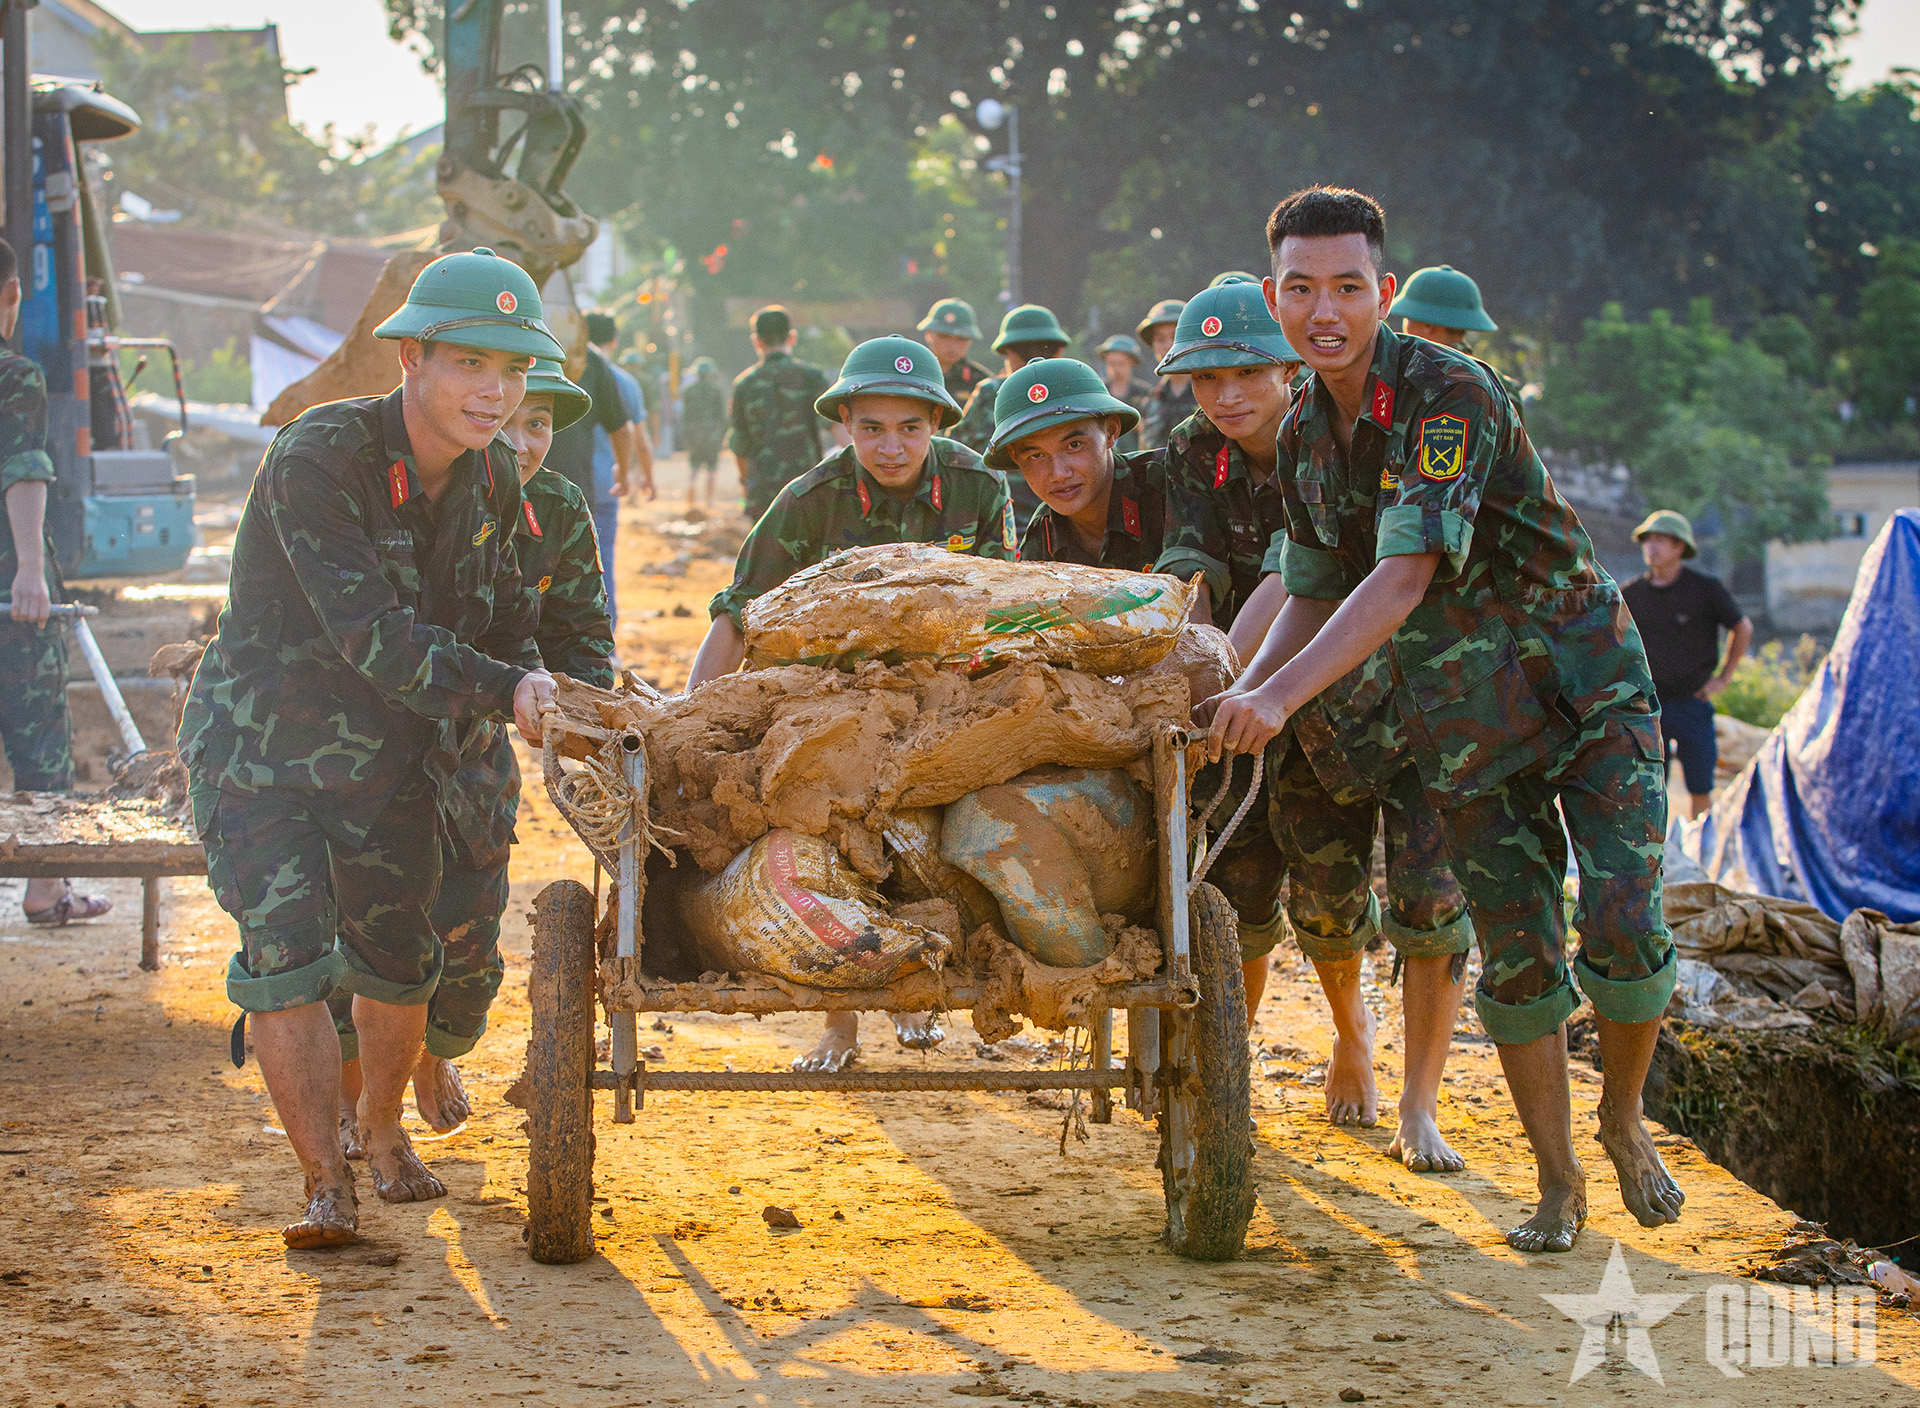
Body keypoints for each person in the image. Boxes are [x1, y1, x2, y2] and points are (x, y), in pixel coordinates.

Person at [1204, 186, 1682, 1251]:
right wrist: (1242, 683)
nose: (1323, 309)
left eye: (1346, 285)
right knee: (1516, 955)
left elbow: (1403, 573)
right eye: (1299, 287)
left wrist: (1278, 696)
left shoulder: (1446, 390)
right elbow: (1315, 581)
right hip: (1466, 726)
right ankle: (1558, 1187)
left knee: (1620, 913)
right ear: (1272, 296)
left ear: (1383, 289)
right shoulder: (1304, 441)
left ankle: (1620, 1116)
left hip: (1584, 688)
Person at [178, 248, 561, 1249]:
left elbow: (513, 621)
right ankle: (321, 1183)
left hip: (390, 761)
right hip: (263, 758)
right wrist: (507, 686)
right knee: (289, 954)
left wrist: (562, 692)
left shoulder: (491, 484)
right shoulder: (319, 457)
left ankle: (382, 1133)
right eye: (471, 363)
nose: (496, 391)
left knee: (398, 961)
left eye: (513, 371)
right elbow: (378, 640)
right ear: (410, 359)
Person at [1153, 278, 1477, 1168]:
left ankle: (1420, 1105)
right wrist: (1196, 667)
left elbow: (1294, 577)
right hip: (1283, 716)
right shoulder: (1191, 452)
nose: (1226, 395)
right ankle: (1346, 1033)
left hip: (1410, 700)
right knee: (1321, 906)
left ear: (1289, 365)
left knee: (1431, 903)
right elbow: (1197, 575)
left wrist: (1238, 674)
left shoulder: (1358, 430)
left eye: (1246, 372)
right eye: (1205, 378)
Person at [688, 336, 1015, 1072]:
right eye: (871, 428)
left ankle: (917, 988)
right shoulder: (809, 500)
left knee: (943, 837)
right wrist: (690, 718)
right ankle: (840, 1022)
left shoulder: (979, 488)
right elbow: (739, 614)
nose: (890, 446)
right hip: (833, 698)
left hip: (947, 694)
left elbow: (1005, 605)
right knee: (827, 829)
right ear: (844, 424)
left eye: (909, 428)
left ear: (937, 421)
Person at [330, 357, 613, 1145]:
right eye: (514, 422)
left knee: (469, 925)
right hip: (363, 738)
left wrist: (587, 714)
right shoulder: (407, 481)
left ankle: (429, 1055)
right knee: (357, 920)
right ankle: (356, 1097)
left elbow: (579, 636)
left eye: (541, 424)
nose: (521, 442)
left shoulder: (555, 508)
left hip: (476, 740)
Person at [0, 237, 110, 925]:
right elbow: (24, 469)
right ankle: (46, 890)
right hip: (11, 598)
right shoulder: (14, 376)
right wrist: (31, 572)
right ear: (11, 294)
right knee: (39, 733)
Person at [1622, 510, 1751, 820]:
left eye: (1661, 541)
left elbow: (1742, 627)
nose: (1652, 548)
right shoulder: (1630, 594)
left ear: (1680, 547)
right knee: (1649, 789)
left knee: (1700, 787)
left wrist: (1723, 678)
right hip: (1647, 708)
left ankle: (1697, 854)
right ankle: (1657, 857)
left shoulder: (1704, 590)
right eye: (1647, 540)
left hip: (1692, 703)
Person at [984, 357, 1157, 570]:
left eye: (1074, 445)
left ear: (1111, 431)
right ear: (1015, 457)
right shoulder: (1043, 540)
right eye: (1036, 455)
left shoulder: (1171, 490)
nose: (1059, 474)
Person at [948, 303, 1071, 532]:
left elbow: (954, 453)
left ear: (1007, 353)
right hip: (1053, 520)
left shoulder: (990, 392)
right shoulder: (1074, 391)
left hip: (1006, 522)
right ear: (1060, 352)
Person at [728, 306, 836, 521]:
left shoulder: (744, 384)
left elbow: (739, 444)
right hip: (807, 487)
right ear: (792, 337)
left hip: (763, 490)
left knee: (765, 554)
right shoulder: (812, 377)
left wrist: (745, 483)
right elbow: (837, 428)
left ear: (756, 341)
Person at [585, 311, 656, 624]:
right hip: (606, 484)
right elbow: (639, 438)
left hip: (570, 481)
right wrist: (645, 478)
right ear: (613, 340)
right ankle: (606, 638)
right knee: (604, 560)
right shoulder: (625, 382)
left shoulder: (568, 375)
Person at [1135, 298, 1197, 452]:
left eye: (1176, 337)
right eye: (1160, 339)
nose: (1169, 346)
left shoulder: (1211, 394)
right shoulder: (1150, 401)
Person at [916, 297, 994, 408]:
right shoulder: (911, 373)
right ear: (928, 334)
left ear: (970, 340)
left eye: (961, 338)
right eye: (944, 336)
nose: (952, 345)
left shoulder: (982, 382)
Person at [1094, 333, 1154, 452]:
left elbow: (1153, 426)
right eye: (1111, 363)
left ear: (1132, 362)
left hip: (1136, 454)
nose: (1116, 369)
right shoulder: (1098, 391)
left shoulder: (1144, 392)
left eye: (1121, 364)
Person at [680, 357, 728, 505]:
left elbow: (685, 415)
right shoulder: (716, 390)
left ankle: (691, 492)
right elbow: (722, 415)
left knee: (694, 465)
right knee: (711, 467)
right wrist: (723, 434)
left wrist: (685, 435)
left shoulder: (688, 390)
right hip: (712, 434)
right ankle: (709, 500)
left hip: (694, 434)